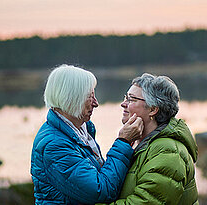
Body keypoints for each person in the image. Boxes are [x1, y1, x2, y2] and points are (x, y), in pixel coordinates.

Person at [30, 64, 143, 204]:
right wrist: (123, 142)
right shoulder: (54, 145)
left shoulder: (81, 130)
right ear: (71, 98)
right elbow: (101, 191)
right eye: (90, 96)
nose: (96, 103)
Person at [105, 73, 199, 205]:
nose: (123, 104)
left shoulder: (168, 151)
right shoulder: (141, 144)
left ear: (153, 109)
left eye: (131, 99)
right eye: (125, 97)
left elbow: (145, 202)